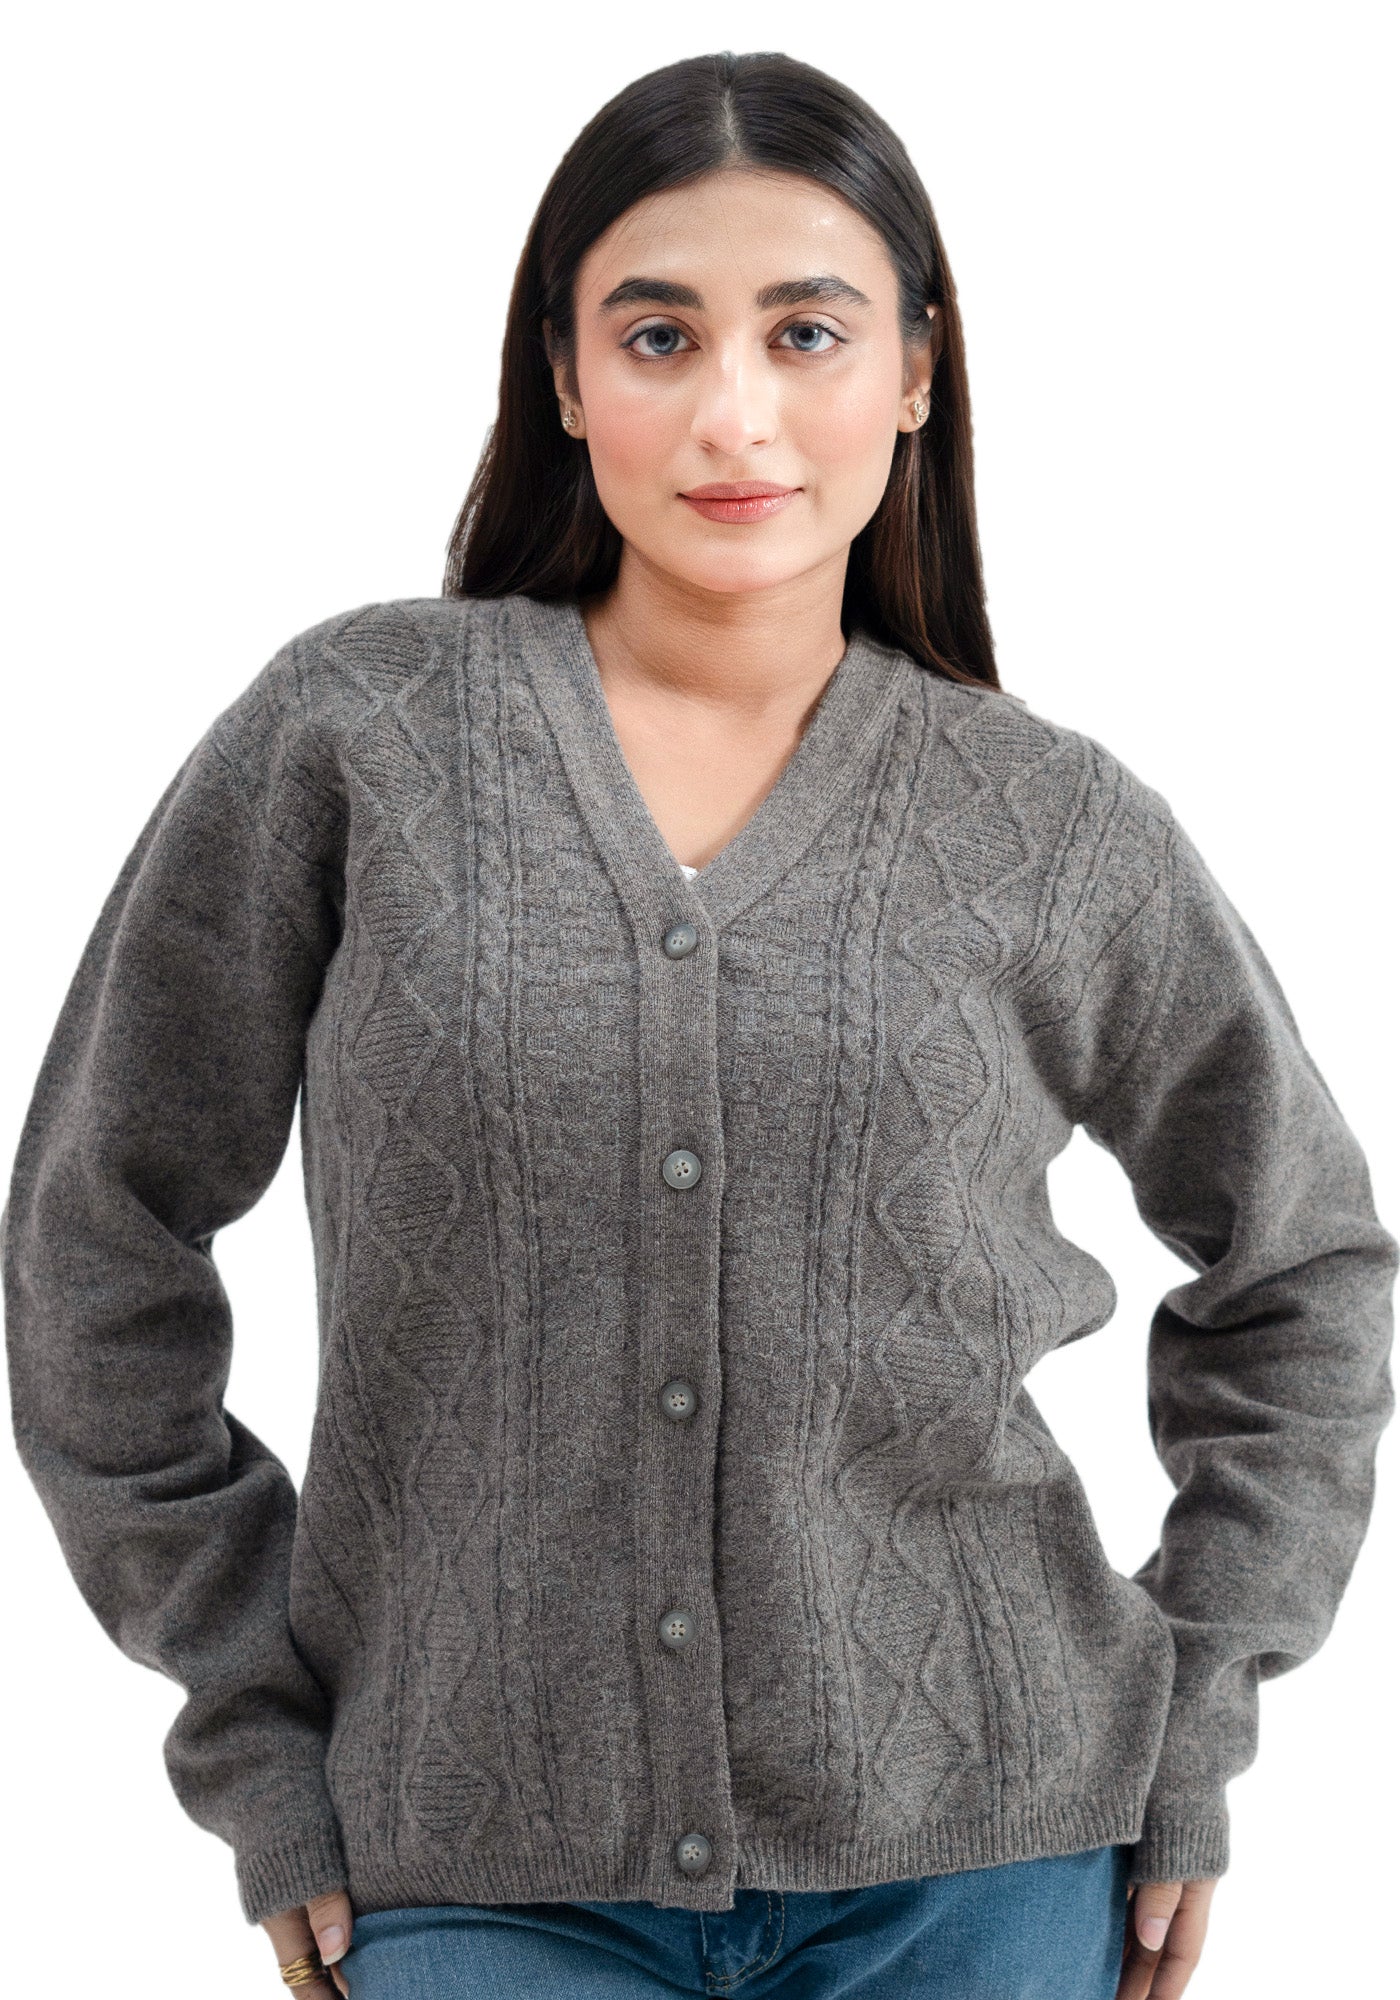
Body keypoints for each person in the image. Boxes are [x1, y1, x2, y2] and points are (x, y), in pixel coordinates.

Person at [4, 48, 1395, 2000]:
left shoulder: (1053, 822)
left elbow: (1305, 1269)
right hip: (473, 1858)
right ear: (566, 379)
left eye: (807, 331)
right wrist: (253, 1732)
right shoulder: (357, 739)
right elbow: (97, 1240)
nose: (736, 411)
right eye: (658, 335)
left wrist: (1201, 1704)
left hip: (985, 1862)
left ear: (915, 370)